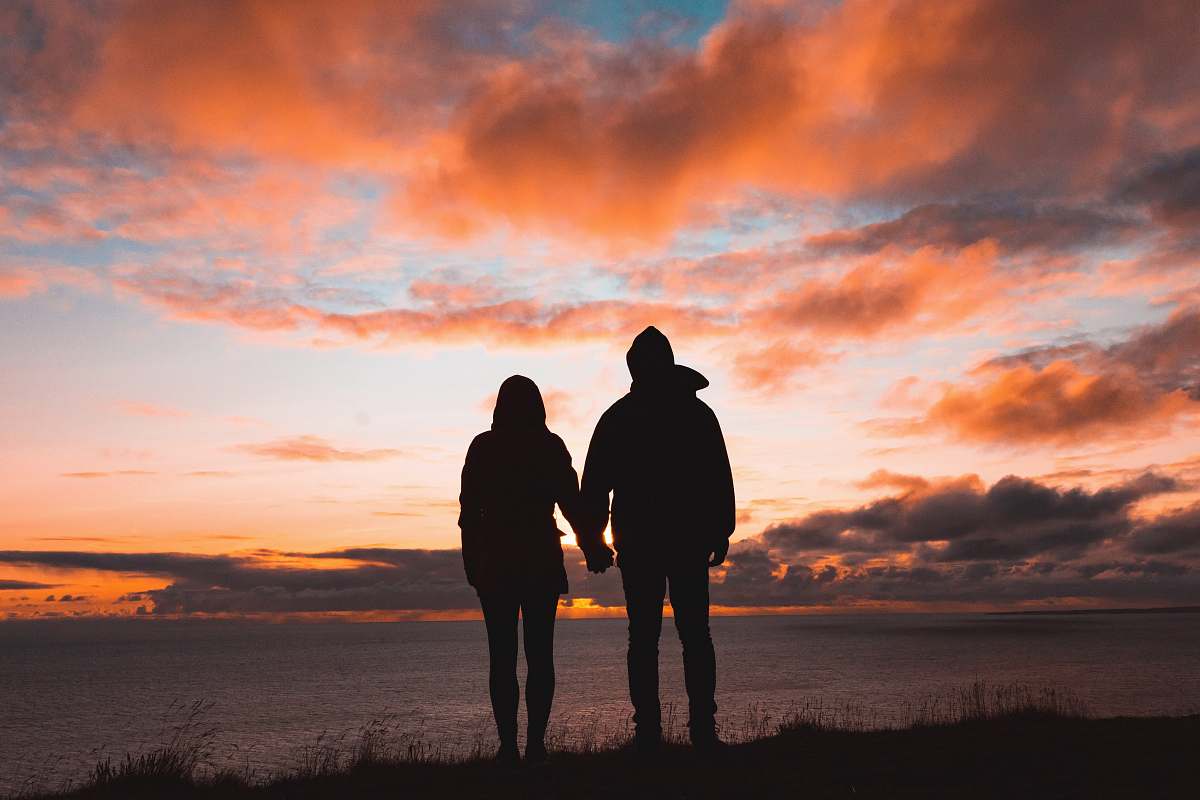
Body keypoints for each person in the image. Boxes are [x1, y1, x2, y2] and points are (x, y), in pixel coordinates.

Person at [578, 326, 736, 754]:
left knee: (650, 638)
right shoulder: (694, 415)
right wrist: (721, 527)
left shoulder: (621, 417)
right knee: (688, 636)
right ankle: (690, 731)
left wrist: (594, 541)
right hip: (675, 539)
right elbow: (718, 477)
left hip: (651, 540)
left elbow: (595, 486)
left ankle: (657, 732)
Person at [458, 375, 590, 767]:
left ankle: (511, 748)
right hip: (538, 562)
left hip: (496, 564)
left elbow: (469, 515)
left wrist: (472, 563)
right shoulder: (549, 446)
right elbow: (573, 504)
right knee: (539, 656)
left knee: (502, 658)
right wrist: (594, 545)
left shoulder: (483, 447)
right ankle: (532, 747)